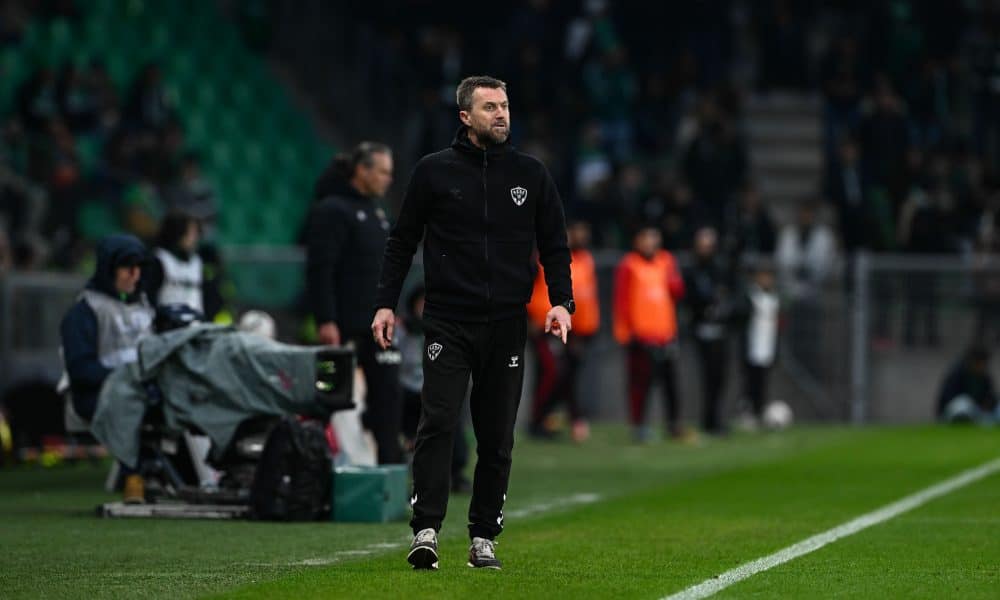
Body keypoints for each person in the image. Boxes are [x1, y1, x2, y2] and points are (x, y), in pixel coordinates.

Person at [372, 76, 573, 570]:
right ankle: (425, 530)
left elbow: (555, 245)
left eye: (505, 105)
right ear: (465, 117)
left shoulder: (531, 174)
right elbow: (402, 241)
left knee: (497, 435)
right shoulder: (433, 173)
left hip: (507, 324)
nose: (502, 114)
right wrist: (385, 304)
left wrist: (562, 302)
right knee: (438, 421)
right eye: (490, 107)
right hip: (448, 321)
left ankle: (483, 536)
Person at [305, 141, 404, 465]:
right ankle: (316, 464)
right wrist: (326, 319)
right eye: (383, 172)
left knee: (388, 398)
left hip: (377, 325)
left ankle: (390, 469)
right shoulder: (332, 210)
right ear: (362, 170)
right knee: (330, 401)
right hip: (344, 325)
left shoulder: (377, 213)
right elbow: (321, 269)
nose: (388, 179)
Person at [59, 234, 154, 502]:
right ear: (108, 269)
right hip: (98, 394)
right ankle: (133, 476)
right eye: (127, 268)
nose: (135, 275)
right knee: (131, 402)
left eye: (139, 268)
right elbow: (81, 371)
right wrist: (128, 377)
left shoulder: (145, 307)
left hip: (139, 387)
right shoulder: (85, 311)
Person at [526, 219, 601, 442]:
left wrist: (585, 331)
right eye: (575, 231)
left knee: (564, 376)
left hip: (573, 329)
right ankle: (539, 419)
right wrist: (529, 318)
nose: (580, 235)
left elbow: (587, 299)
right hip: (544, 326)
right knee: (552, 372)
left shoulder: (586, 260)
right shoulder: (542, 258)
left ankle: (556, 418)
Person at [613, 225, 685, 442]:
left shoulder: (666, 261)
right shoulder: (629, 264)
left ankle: (673, 425)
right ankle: (639, 426)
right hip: (641, 335)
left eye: (654, 237)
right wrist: (625, 332)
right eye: (646, 237)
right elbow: (622, 300)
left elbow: (678, 292)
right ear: (637, 241)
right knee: (640, 384)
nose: (651, 242)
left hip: (665, 334)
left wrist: (674, 280)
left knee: (671, 384)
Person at [397, 286, 471, 493]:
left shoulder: (447, 331)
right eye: (421, 303)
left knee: (452, 415)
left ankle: (455, 471)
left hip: (436, 391)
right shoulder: (402, 331)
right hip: (407, 394)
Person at [685, 227, 735, 435]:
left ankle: (715, 418)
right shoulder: (693, 271)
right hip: (702, 329)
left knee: (719, 376)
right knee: (708, 376)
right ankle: (709, 419)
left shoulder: (720, 270)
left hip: (720, 330)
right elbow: (691, 299)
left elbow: (729, 294)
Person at [737, 263, 780, 424]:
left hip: (767, 346)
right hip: (752, 347)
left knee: (763, 382)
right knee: (750, 382)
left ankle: (760, 412)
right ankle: (747, 412)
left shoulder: (774, 299)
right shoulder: (750, 297)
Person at [145, 211, 203, 314]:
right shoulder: (160, 260)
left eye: (196, 233)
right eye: (190, 233)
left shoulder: (197, 262)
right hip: (167, 325)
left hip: (194, 323)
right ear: (177, 232)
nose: (194, 238)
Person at [936, 345, 998, 424]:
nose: (982, 366)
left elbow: (991, 395)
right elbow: (949, 397)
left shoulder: (985, 377)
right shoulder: (957, 374)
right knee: (964, 402)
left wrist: (988, 403)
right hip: (956, 410)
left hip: (978, 410)